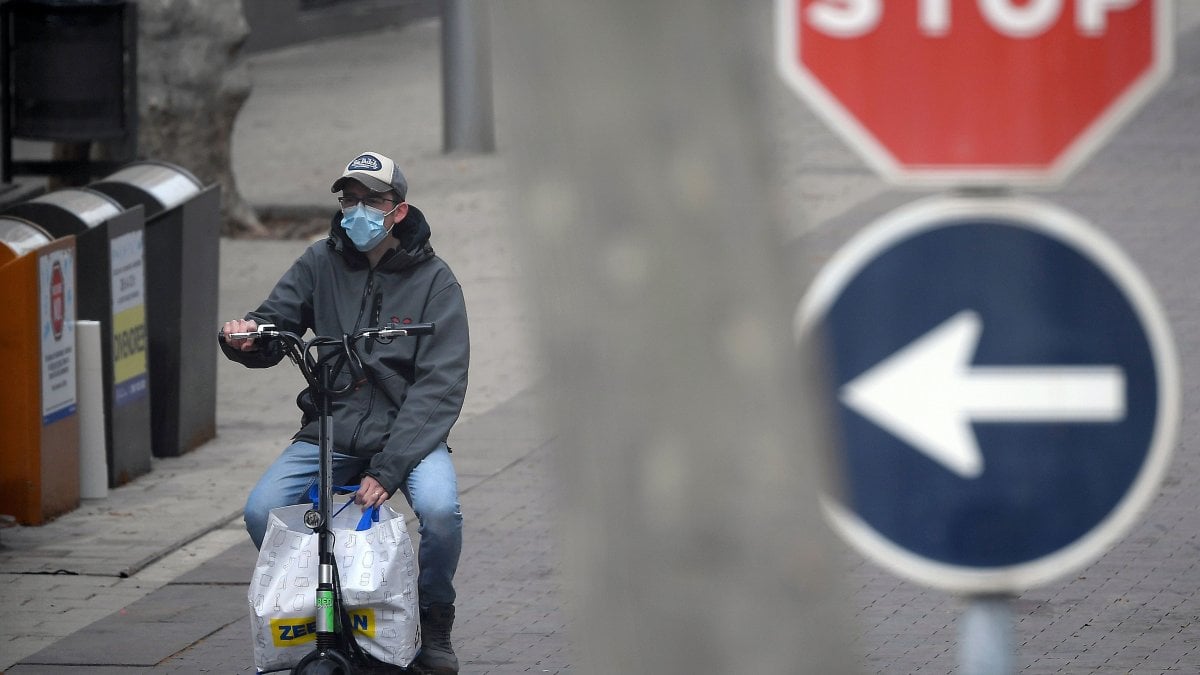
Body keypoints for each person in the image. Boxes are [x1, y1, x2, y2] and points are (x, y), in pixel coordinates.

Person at [221, 151, 468, 674]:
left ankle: (432, 619)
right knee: (262, 510)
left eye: (371, 200)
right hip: (332, 425)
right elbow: (274, 324)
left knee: (442, 512)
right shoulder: (320, 261)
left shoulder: (436, 282)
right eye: (348, 199)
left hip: (408, 435)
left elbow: (441, 388)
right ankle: (335, 609)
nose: (357, 210)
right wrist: (245, 338)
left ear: (397, 210)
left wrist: (389, 468)